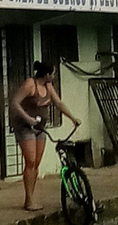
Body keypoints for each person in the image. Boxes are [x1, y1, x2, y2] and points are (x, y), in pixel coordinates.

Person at [9, 58, 80, 212]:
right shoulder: (30, 84)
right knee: (30, 160)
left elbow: (58, 103)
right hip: (25, 127)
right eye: (52, 74)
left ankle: (32, 196)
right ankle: (28, 200)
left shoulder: (48, 86)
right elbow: (15, 102)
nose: (54, 77)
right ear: (47, 74)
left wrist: (73, 118)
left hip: (40, 127)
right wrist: (28, 118)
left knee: (36, 163)